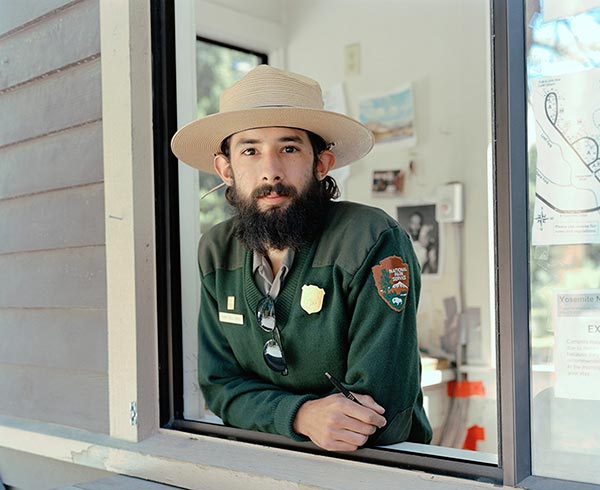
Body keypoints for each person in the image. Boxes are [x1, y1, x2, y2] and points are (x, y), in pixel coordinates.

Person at [171, 65, 432, 451]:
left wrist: (263, 408)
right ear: (226, 168)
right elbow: (220, 386)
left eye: (289, 149)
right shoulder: (215, 250)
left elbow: (379, 415)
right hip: (266, 462)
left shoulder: (371, 239)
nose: (271, 171)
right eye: (250, 150)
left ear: (321, 163)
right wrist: (300, 415)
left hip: (384, 468)